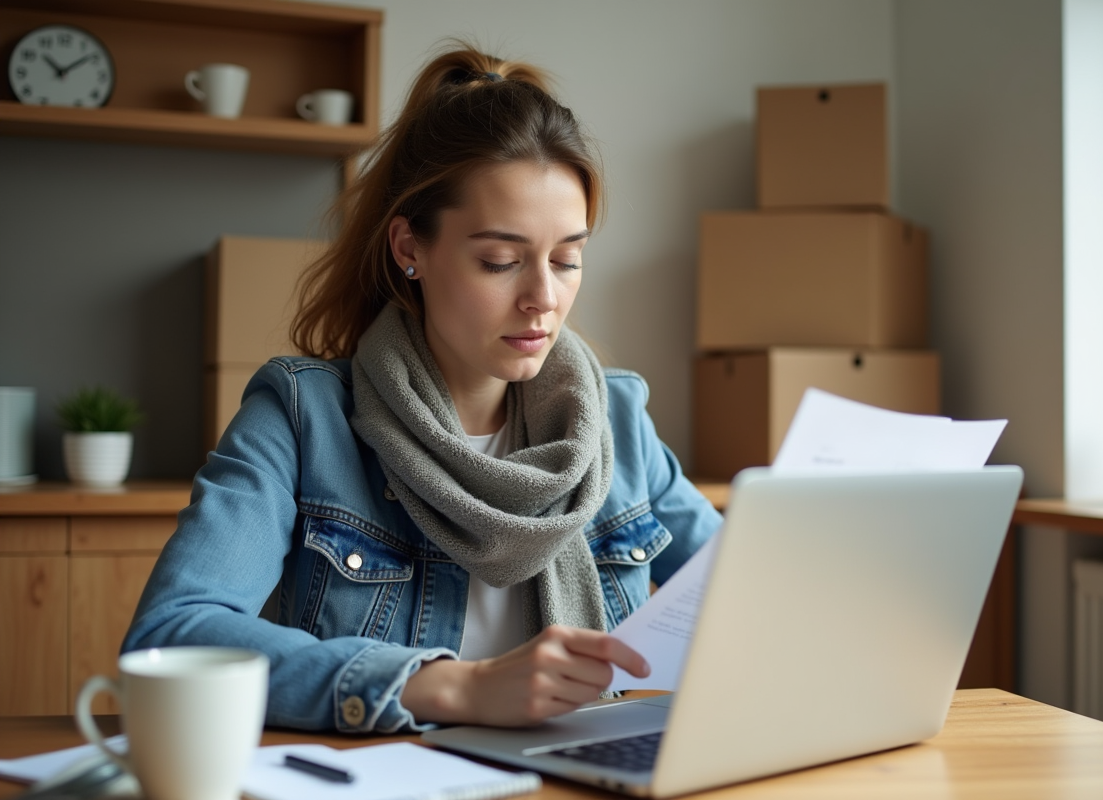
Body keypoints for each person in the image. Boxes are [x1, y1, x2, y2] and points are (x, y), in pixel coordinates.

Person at [123, 44, 722, 733]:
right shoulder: (301, 417)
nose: (543, 299)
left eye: (567, 259)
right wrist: (451, 688)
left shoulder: (616, 419)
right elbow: (172, 634)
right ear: (410, 249)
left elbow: (745, 598)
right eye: (501, 261)